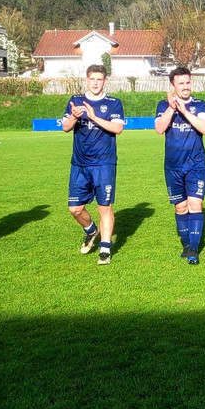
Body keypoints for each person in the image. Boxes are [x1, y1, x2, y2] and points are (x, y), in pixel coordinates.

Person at [62, 64, 125, 265]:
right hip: (79, 164)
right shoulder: (75, 101)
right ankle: (91, 230)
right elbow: (65, 127)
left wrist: (94, 117)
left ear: (104, 81)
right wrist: (74, 116)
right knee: (75, 209)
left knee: (104, 207)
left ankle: (105, 248)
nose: (95, 82)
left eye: (99, 79)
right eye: (92, 79)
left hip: (104, 163)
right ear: (86, 80)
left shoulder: (114, 103)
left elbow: (117, 128)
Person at [155, 67, 205, 265]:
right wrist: (172, 108)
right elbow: (159, 129)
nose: (186, 87)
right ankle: (187, 245)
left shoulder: (200, 104)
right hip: (173, 167)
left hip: (196, 165)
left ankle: (194, 248)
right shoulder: (163, 105)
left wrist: (184, 111)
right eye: (181, 83)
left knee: (195, 204)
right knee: (180, 207)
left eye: (188, 82)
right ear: (173, 86)